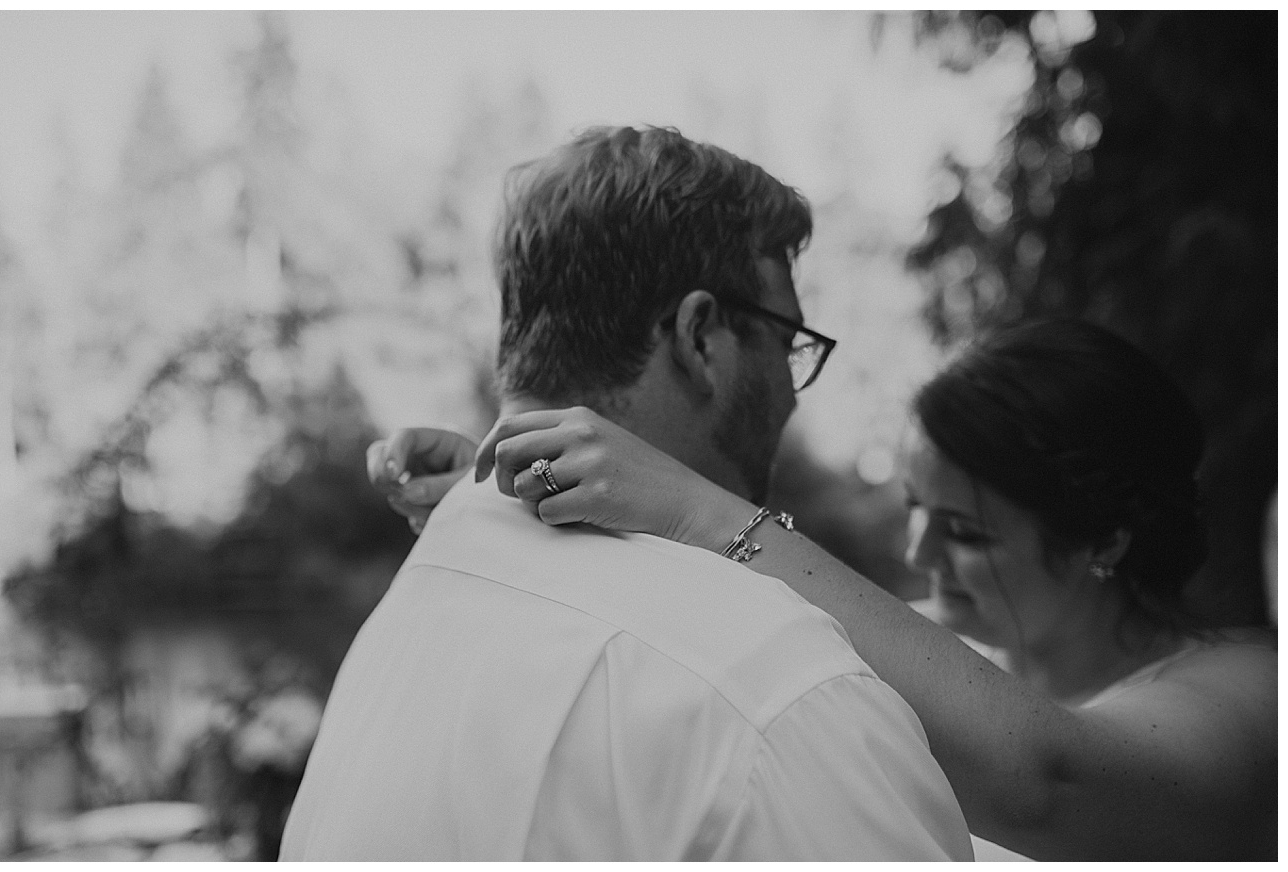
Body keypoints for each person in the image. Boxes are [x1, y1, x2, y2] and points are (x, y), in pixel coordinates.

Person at [281, 125, 972, 861]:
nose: (792, 393)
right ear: (700, 337)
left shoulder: (415, 608)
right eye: (787, 341)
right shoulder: (773, 696)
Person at [375, 318, 1276, 861]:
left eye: (966, 532)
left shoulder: (1249, 696)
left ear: (1106, 538)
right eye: (917, 508)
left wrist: (697, 506)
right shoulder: (931, 645)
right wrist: (499, 490)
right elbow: (703, 630)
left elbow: (1050, 778)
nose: (920, 551)